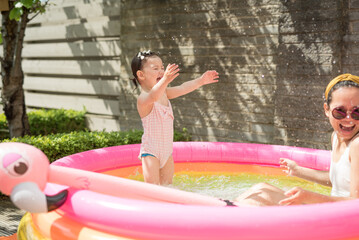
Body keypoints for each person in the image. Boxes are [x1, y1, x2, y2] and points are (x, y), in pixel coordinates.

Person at [234, 73, 359, 206]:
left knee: (263, 197)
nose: (348, 118)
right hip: (335, 212)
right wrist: (298, 170)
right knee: (261, 188)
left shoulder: (357, 145)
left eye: (356, 112)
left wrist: (310, 196)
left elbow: (356, 203)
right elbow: (341, 179)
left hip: (345, 219)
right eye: (339, 111)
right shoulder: (336, 136)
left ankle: (222, 219)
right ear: (326, 109)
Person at [131, 50, 219, 185]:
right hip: (151, 152)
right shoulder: (143, 99)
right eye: (156, 69)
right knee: (152, 190)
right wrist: (165, 79)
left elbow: (183, 87)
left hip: (167, 151)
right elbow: (153, 96)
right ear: (141, 75)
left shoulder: (165, 93)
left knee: (168, 187)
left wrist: (200, 81)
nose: (161, 71)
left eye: (162, 67)